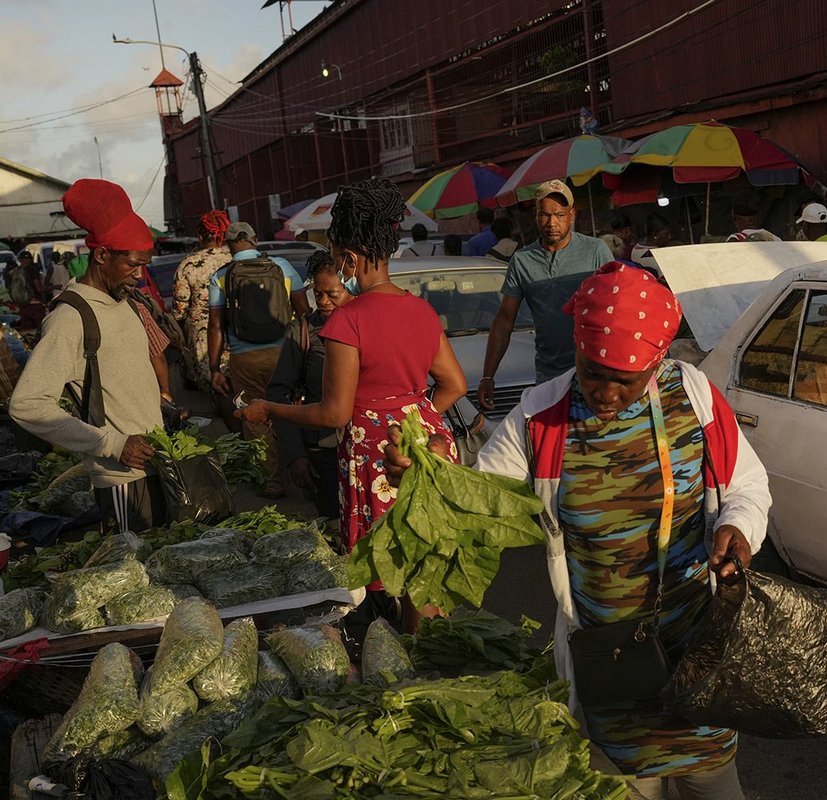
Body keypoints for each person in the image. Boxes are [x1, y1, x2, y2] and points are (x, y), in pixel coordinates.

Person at [472, 262, 771, 800]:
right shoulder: (542, 416)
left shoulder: (694, 397)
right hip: (609, 664)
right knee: (627, 787)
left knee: (711, 780)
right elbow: (479, 500)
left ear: (656, 363)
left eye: (623, 380)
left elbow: (748, 484)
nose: (604, 392)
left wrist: (738, 525)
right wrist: (428, 478)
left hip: (692, 651)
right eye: (592, 372)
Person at [236, 178, 467, 630]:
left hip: (378, 456)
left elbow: (334, 413)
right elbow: (454, 384)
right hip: (427, 448)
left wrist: (270, 409)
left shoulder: (347, 319)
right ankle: (438, 647)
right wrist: (417, 422)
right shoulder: (420, 308)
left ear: (350, 259)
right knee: (427, 557)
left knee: (400, 572)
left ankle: (418, 658)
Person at [10, 179, 166, 532]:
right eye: (132, 265)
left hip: (158, 464)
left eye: (144, 265)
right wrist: (112, 443)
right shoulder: (70, 318)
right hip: (121, 481)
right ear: (102, 255)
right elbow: (27, 404)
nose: (140, 277)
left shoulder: (123, 304)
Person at [478, 179, 610, 407]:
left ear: (571, 215)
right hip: (549, 374)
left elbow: (615, 308)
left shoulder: (596, 251)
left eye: (559, 215)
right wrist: (488, 376)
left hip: (593, 369)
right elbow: (504, 320)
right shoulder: (522, 260)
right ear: (536, 216)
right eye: (544, 215)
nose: (552, 223)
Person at [207, 221, 308, 499]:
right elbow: (304, 311)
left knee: (255, 419)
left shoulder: (221, 276)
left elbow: (215, 326)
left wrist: (214, 368)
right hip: (284, 354)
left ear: (228, 246)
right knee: (292, 410)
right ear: (254, 239)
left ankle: (272, 483)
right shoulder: (281, 267)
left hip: (244, 357)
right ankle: (307, 477)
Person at [264, 251, 351, 519]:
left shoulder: (368, 326)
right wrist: (295, 455)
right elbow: (278, 393)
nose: (323, 302)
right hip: (322, 452)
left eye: (332, 294)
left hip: (367, 451)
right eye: (318, 293)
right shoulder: (301, 332)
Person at [173, 209, 232, 390]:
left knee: (213, 387)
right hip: (236, 330)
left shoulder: (188, 264)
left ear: (200, 237)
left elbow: (180, 310)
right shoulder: (233, 259)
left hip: (203, 335)